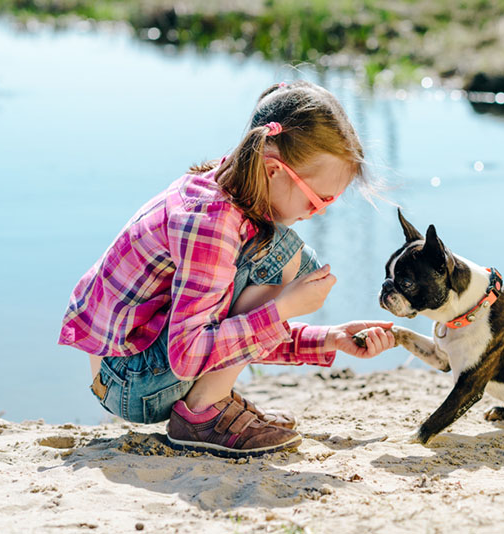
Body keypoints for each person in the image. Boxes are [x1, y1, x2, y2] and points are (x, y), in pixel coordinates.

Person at [58, 80, 395, 458]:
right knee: (287, 260)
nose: (319, 212)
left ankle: (209, 402)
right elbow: (188, 353)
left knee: (286, 258)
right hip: (130, 381)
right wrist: (282, 308)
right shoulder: (212, 223)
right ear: (273, 171)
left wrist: (328, 338)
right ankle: (204, 413)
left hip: (138, 366)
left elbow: (223, 325)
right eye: (319, 200)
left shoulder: (231, 192)